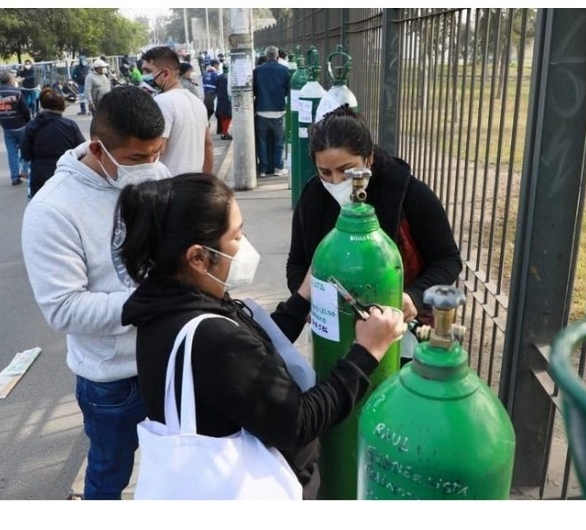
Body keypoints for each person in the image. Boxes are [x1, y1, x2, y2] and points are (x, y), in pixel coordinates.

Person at [116, 172, 406, 500]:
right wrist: (366, 352)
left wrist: (299, 302)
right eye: (236, 237)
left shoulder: (165, 307)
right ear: (198, 257)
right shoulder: (212, 339)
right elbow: (298, 422)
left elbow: (249, 359)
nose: (245, 246)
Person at [21, 86, 172, 501]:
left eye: (157, 153)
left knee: (178, 464)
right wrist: (153, 302)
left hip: (169, 359)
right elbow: (64, 309)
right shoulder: (52, 210)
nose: (151, 167)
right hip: (113, 379)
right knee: (108, 474)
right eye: (137, 159)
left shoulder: (155, 173)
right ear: (98, 148)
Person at [286, 105, 463, 362]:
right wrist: (307, 305)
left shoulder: (409, 195)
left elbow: (448, 259)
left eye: (347, 170)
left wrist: (412, 297)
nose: (336, 182)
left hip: (402, 337)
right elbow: (297, 263)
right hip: (336, 336)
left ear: (368, 159)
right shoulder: (313, 198)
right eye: (325, 172)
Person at [140, 46, 214, 175]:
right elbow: (207, 145)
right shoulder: (197, 102)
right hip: (193, 185)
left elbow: (157, 149)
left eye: (148, 71)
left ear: (166, 73)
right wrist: (206, 183)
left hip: (168, 187)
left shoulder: (163, 101)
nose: (144, 76)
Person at [20, 87, 86, 199]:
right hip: (65, 172)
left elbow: (25, 153)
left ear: (42, 105)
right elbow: (82, 150)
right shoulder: (69, 125)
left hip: (39, 173)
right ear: (61, 107)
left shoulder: (32, 126)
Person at [0, 69, 32, 186]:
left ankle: (14, 176)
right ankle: (25, 171)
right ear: (10, 80)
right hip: (21, 125)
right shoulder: (17, 92)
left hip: (7, 127)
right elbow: (25, 110)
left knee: (11, 152)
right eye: (13, 78)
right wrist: (28, 122)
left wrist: (1, 119)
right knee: (26, 149)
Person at [252, 46, 290, 178]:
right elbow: (288, 90)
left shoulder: (257, 71)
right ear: (277, 56)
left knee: (262, 142)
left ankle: (262, 170)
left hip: (262, 110)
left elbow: (254, 91)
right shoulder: (285, 70)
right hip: (279, 110)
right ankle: (277, 168)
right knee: (279, 142)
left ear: (266, 56)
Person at [214, 64, 232, 140]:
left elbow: (216, 88)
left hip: (220, 99)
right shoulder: (229, 78)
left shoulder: (218, 77)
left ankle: (224, 132)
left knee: (223, 117)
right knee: (228, 117)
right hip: (228, 99)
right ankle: (225, 133)